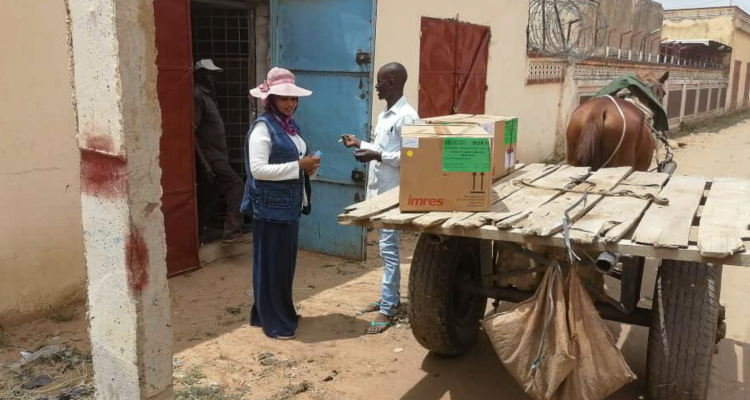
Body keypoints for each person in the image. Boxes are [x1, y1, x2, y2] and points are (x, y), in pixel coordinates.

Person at [241, 67, 320, 339]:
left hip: (288, 207)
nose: (290, 103)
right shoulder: (263, 129)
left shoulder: (289, 127)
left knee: (283, 266)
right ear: (270, 99)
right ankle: (274, 322)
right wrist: (298, 164)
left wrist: (309, 168)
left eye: (293, 99)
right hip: (270, 210)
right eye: (283, 98)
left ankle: (274, 312)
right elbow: (258, 169)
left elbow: (292, 162)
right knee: (272, 266)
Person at [341, 62, 418, 334]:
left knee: (388, 249)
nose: (376, 86)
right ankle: (391, 298)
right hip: (378, 191)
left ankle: (388, 308)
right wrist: (360, 144)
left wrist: (377, 155)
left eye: (381, 81)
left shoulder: (407, 116)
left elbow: (413, 157)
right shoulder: (385, 115)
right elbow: (383, 149)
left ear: (393, 83)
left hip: (392, 194)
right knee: (384, 249)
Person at [193, 59, 247, 244]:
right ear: (199, 75)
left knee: (209, 196)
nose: (213, 77)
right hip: (211, 156)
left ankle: (195, 235)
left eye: (214, 74)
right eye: (209, 74)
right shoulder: (197, 95)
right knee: (236, 186)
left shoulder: (209, 95)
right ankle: (232, 233)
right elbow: (191, 132)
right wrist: (205, 164)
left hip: (218, 155)